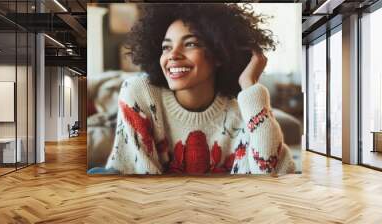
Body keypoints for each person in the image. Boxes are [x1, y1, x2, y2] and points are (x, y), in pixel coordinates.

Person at [105, 3, 295, 175]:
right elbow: (137, 180)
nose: (173, 55)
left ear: (219, 53)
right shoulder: (140, 91)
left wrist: (250, 85)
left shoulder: (244, 112)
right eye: (166, 47)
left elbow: (274, 178)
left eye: (190, 44)